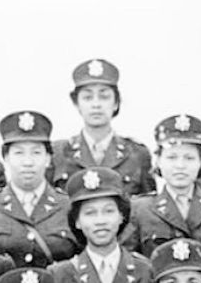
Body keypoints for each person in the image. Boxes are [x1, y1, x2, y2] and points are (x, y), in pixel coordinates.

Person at [123, 114, 201, 257]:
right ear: (159, 161)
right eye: (172, 157)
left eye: (189, 158)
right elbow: (128, 263)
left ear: (200, 162)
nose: (180, 166)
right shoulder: (140, 210)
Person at [0, 111, 78, 268]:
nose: (27, 162)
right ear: (6, 158)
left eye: (36, 153)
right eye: (19, 153)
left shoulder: (69, 206)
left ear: (48, 159)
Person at [50, 58, 155, 198]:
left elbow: (146, 209)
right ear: (76, 103)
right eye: (88, 97)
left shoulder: (137, 154)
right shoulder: (59, 153)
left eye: (104, 96)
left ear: (116, 102)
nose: (96, 104)